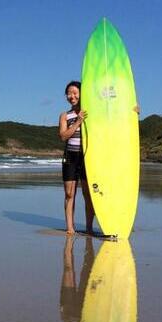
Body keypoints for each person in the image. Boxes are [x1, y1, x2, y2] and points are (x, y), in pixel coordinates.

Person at [59, 81, 94, 235]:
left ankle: (89, 228)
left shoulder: (91, 112)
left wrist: (132, 111)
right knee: (69, 193)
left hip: (87, 157)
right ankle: (70, 228)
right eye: (69, 93)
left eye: (75, 93)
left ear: (81, 94)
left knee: (88, 194)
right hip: (70, 157)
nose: (71, 96)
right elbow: (63, 136)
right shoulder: (65, 116)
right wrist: (78, 122)